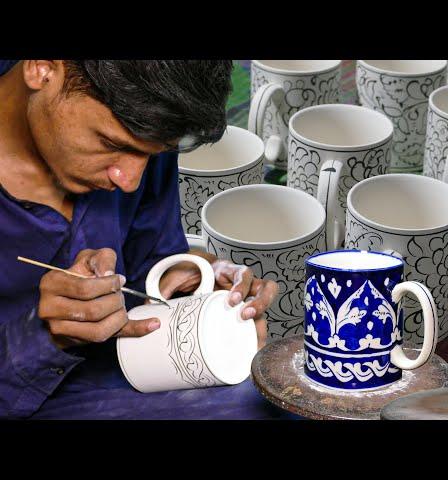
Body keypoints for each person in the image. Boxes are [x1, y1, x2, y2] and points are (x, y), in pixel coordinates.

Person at [0, 60, 284, 419]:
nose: (129, 181)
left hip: (128, 376)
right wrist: (43, 337)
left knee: (278, 398)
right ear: (42, 68)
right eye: (109, 143)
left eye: (154, 154)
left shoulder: (145, 119)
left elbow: (148, 260)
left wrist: (185, 286)